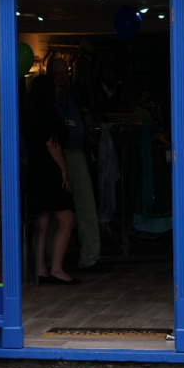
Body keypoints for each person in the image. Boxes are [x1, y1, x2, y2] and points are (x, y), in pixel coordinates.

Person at [47, 57, 104, 273]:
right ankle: (54, 261)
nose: (64, 77)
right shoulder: (49, 99)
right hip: (57, 154)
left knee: (85, 206)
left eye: (66, 73)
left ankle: (90, 257)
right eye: (59, 74)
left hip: (76, 153)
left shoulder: (72, 96)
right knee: (57, 209)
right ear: (50, 74)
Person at [24, 72, 80, 285]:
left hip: (35, 170)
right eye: (56, 88)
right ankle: (56, 268)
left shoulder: (30, 112)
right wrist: (64, 169)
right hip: (50, 170)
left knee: (43, 221)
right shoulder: (48, 112)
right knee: (67, 220)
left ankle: (41, 270)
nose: (59, 91)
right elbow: (52, 143)